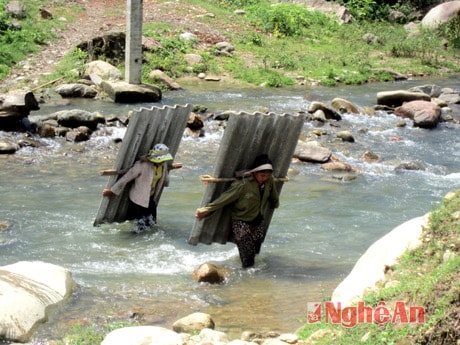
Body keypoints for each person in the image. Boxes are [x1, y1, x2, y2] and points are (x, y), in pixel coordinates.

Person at [195, 154, 279, 268]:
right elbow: (225, 198)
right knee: (248, 261)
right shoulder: (242, 184)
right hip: (241, 223)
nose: (264, 178)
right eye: (262, 175)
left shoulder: (269, 181)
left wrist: (275, 203)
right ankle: (247, 280)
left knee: (256, 253)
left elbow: (273, 194)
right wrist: (206, 210)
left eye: (267, 176)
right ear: (254, 173)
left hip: (258, 221)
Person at [102, 143, 174, 233]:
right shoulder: (142, 165)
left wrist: (167, 183)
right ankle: (133, 238)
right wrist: (112, 191)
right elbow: (127, 177)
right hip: (138, 198)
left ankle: (145, 238)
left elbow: (164, 177)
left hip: (150, 197)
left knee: (152, 222)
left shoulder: (163, 165)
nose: (162, 161)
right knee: (142, 224)